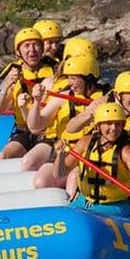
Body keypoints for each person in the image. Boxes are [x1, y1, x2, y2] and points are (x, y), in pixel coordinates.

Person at [54, 102, 130, 216]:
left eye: (118, 124)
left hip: (115, 206)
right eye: (108, 124)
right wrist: (60, 156)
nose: (114, 128)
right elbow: (59, 173)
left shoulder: (126, 151)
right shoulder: (84, 143)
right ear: (98, 126)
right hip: (83, 202)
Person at [28, 54, 104, 185]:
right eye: (69, 78)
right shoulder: (63, 97)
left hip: (92, 154)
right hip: (65, 152)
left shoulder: (105, 98)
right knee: (41, 182)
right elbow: (35, 126)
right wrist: (36, 102)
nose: (70, 83)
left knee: (73, 180)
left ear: (88, 78)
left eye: (74, 78)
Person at [0, 27, 55, 161]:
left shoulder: (55, 70)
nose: (32, 50)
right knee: (3, 156)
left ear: (42, 48)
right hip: (24, 131)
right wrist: (5, 85)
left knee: (33, 158)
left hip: (49, 132)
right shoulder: (13, 74)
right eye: (26, 46)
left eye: (36, 45)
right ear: (18, 52)